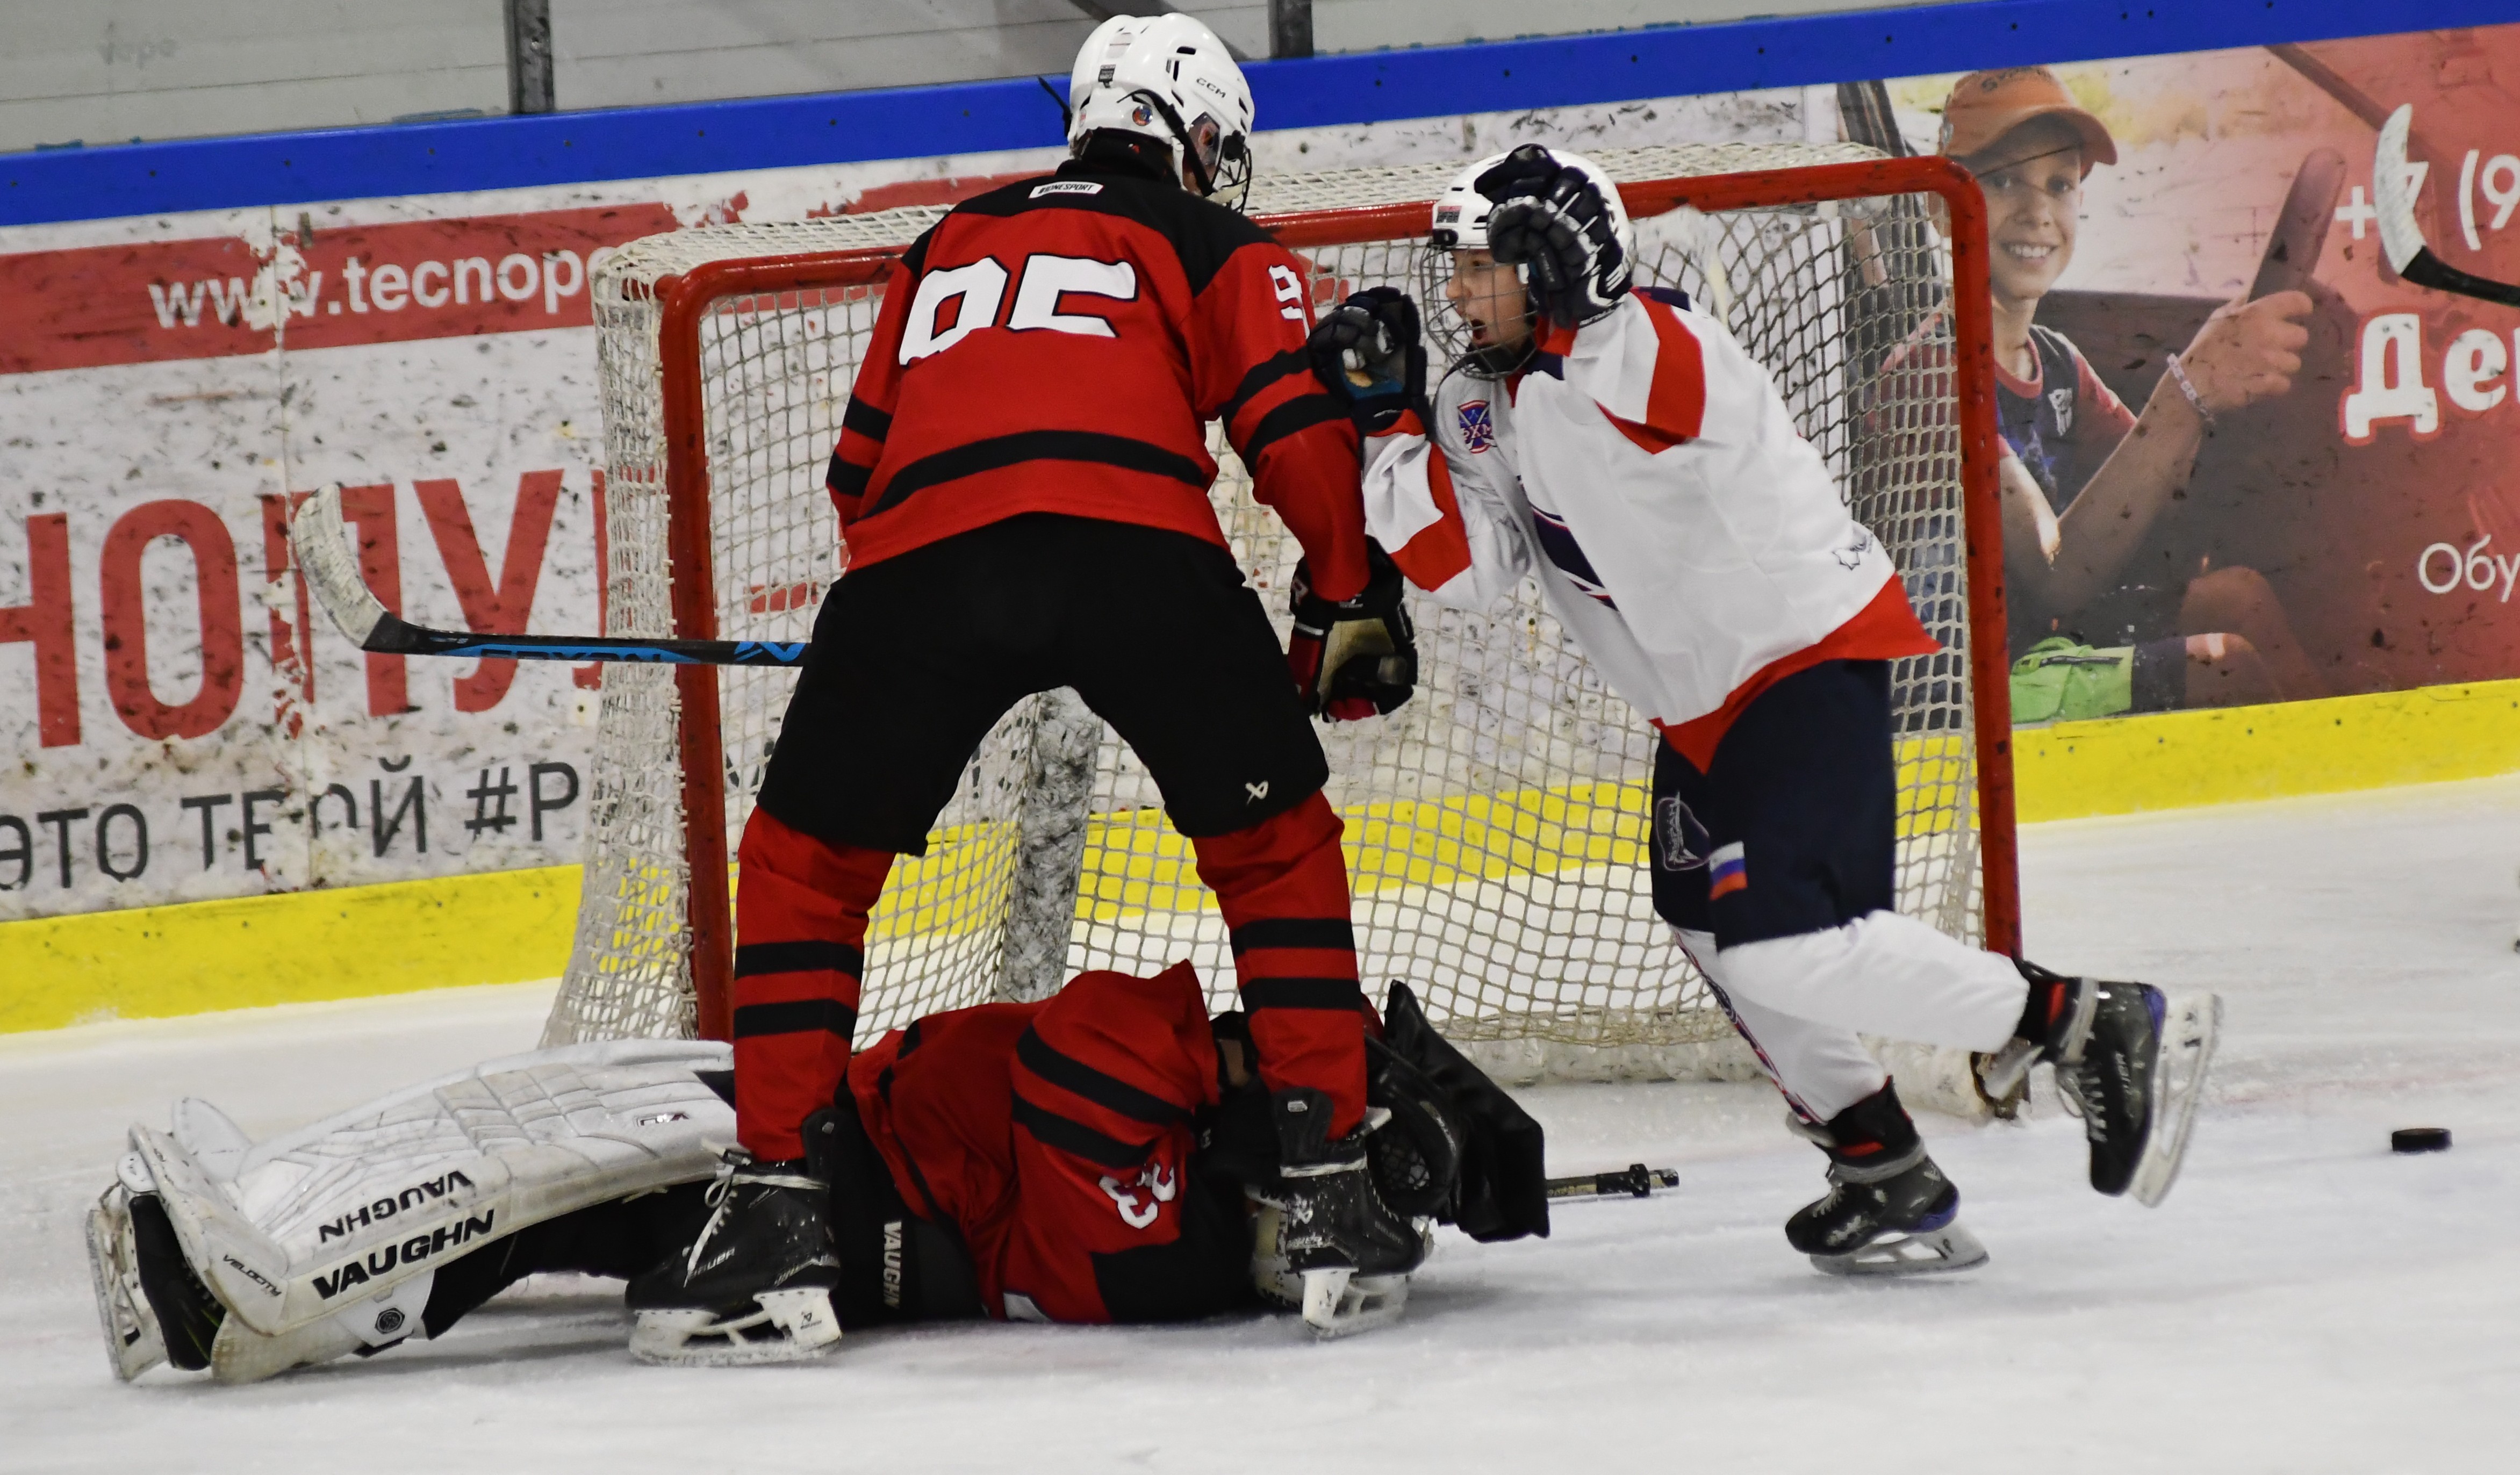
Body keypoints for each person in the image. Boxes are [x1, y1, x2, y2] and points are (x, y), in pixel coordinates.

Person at [1314, 144, 2221, 1274]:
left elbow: (1636, 376)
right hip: (1699, 708)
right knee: (1710, 927)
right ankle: (1878, 1160)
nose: (1453, 292)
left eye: (1480, 266)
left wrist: (1580, 309)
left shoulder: (1645, 342)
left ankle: (2085, 1022)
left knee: (1785, 947)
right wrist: (1389, 429)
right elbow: (1469, 573)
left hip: (1800, 656)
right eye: (1448, 269)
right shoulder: (1478, 398)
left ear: (1554, 267)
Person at [666, 13, 1426, 1360]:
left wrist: (892, 630)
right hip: (1137, 545)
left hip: (917, 564)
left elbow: (857, 478)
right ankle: (1324, 1189)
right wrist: (1344, 585)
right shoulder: (1218, 243)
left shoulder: (944, 241)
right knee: (1273, 851)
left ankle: (773, 1208)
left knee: (801, 870)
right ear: (1193, 135)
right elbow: (1288, 431)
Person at [89, 965, 1548, 1383]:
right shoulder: (1156, 1050)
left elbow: (1101, 1209)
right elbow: (1078, 1070)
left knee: (564, 1199)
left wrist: (1231, 1149)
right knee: (532, 1111)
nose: (1254, 1040)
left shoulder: (1181, 1228)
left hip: (834, 1197)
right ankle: (278, 1207)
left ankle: (245, 1307)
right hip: (828, 1115)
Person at [1919, 67, 2328, 718]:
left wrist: (2230, 375)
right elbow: (2057, 579)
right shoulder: (1932, 376)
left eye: (2060, 185)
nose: (2037, 213)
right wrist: (2191, 386)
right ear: (1942, 209)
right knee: (2224, 667)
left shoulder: (2055, 361)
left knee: (2241, 596)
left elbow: (2158, 486)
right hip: (1981, 687)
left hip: (2045, 644)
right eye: (2000, 182)